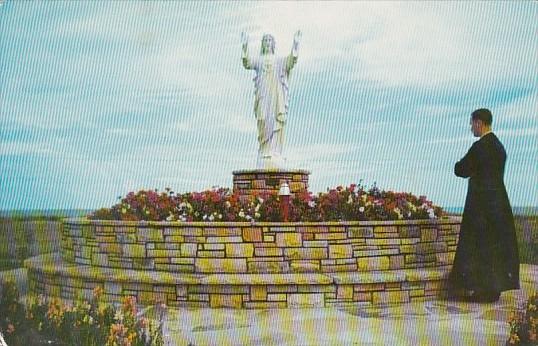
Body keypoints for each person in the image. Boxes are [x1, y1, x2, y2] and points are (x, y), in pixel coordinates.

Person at [448, 108, 520, 303]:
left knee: (478, 244)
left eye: (472, 123)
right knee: (495, 246)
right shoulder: (499, 147)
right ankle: (493, 289)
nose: (471, 127)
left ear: (479, 122)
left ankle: (480, 290)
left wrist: (457, 165)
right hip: (499, 203)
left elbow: (461, 169)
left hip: (480, 205)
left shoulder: (479, 147)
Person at [241, 31, 301, 169]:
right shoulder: (259, 60)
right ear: (263, 44)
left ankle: (275, 153)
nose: (267, 43)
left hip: (276, 96)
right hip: (263, 95)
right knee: (263, 120)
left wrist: (296, 44)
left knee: (275, 121)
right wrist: (245, 46)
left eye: (269, 41)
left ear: (273, 44)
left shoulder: (278, 60)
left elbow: (291, 61)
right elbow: (247, 62)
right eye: (265, 41)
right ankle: (264, 151)